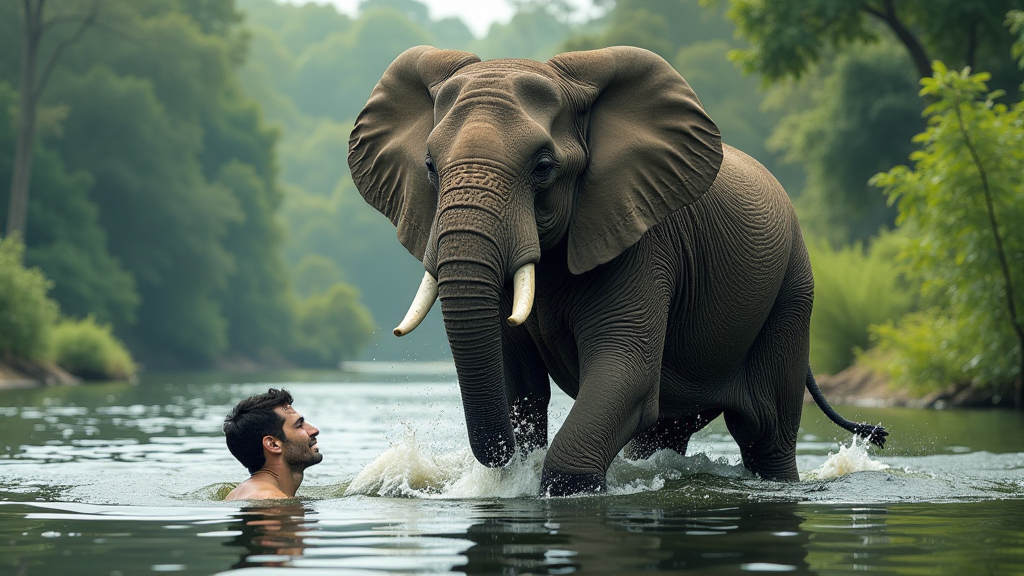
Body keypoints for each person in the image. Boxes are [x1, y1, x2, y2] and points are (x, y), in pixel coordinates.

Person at [222, 388, 322, 501]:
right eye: (299, 425)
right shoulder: (270, 501)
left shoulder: (242, 493)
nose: (314, 430)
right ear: (273, 444)